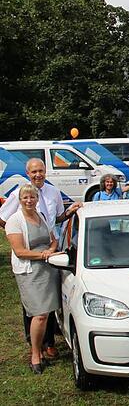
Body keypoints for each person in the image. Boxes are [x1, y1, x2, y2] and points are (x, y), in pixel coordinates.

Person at [0, 158, 80, 360]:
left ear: (46, 171)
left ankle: (50, 342)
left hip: (50, 252)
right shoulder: (21, 191)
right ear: (28, 173)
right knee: (34, 306)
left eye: (41, 170)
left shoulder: (53, 192)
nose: (38, 174)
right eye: (34, 171)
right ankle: (34, 342)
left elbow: (58, 218)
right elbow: (3, 217)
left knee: (51, 301)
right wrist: (16, 234)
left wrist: (71, 211)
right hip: (30, 258)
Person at [4, 184, 60, 374]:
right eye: (25, 198)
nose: (29, 201)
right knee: (39, 314)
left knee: (48, 312)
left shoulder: (41, 217)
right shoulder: (15, 221)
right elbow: (19, 251)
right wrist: (44, 255)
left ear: (37, 199)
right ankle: (35, 353)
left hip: (48, 270)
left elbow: (53, 238)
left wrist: (51, 250)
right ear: (20, 200)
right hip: (29, 272)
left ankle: (45, 347)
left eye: (32, 197)